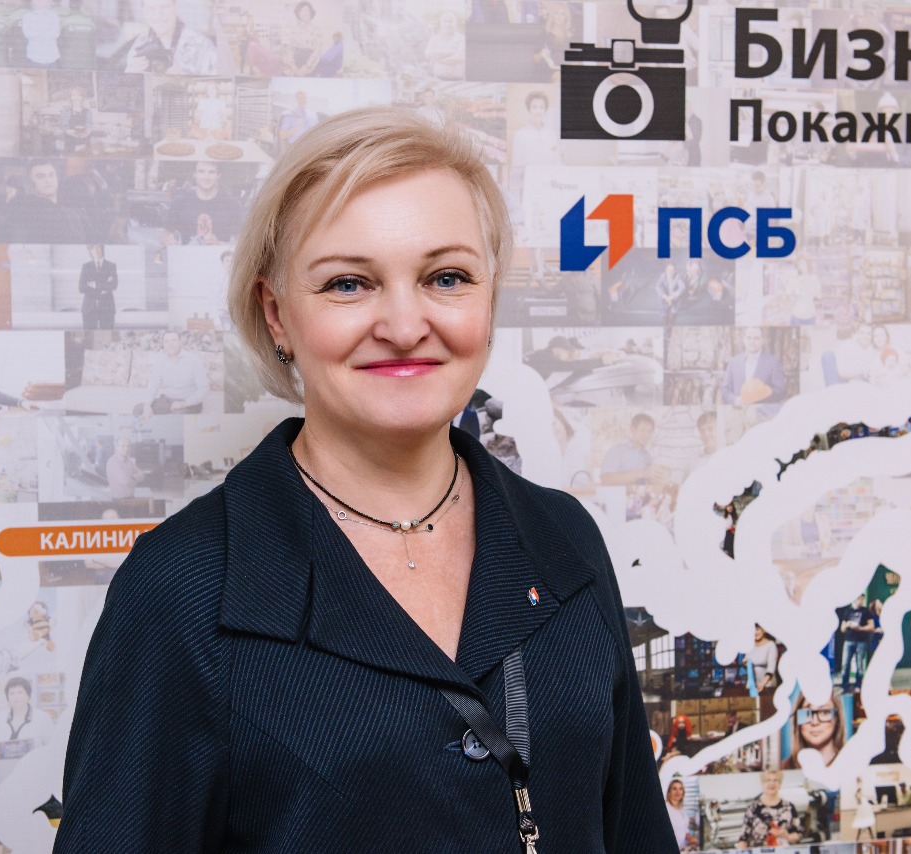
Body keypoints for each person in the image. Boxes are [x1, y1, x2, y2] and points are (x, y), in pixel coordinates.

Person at [57, 107, 675, 852]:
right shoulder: (181, 590)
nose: (405, 326)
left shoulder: (563, 536)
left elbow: (635, 831)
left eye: (447, 277)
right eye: (349, 284)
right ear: (277, 314)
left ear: (488, 297)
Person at [5, 159, 91, 244]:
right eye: (41, 177)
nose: (48, 180)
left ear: (57, 178)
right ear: (31, 183)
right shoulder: (28, 214)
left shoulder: (73, 210)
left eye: (51, 175)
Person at [122, 0, 216, 75]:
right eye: (151, 9)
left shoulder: (202, 45)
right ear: (144, 12)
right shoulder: (139, 44)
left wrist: (182, 80)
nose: (158, 15)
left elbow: (216, 88)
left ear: (175, 7)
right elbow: (127, 90)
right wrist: (131, 74)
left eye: (164, 7)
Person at [162, 161, 243, 246]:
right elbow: (165, 234)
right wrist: (168, 239)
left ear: (218, 175)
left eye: (211, 172)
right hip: (187, 254)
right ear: (194, 174)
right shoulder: (180, 203)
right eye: (201, 171)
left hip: (220, 254)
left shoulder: (232, 204)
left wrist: (219, 244)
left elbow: (243, 243)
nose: (206, 177)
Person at [143, 329, 209, 415]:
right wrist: (147, 405)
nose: (170, 344)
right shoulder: (160, 361)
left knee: (177, 416)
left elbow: (204, 388)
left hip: (189, 402)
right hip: (168, 400)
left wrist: (185, 403)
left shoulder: (193, 360)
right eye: (167, 341)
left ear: (180, 342)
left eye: (174, 340)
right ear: (163, 344)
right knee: (139, 410)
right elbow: (153, 385)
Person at [0, 676, 54, 761]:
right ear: (7, 698)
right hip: (5, 767)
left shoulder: (42, 718)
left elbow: (53, 747)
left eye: (20, 692)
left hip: (34, 766)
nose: (16, 697)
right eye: (12, 693)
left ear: (28, 696)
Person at [720, 326, 788, 405]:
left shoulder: (773, 362)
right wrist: (735, 400)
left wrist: (761, 395)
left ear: (762, 341)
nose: (752, 342)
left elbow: (780, 390)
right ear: (744, 340)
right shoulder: (734, 362)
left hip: (762, 411)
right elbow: (725, 389)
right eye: (749, 338)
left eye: (756, 338)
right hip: (739, 410)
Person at [599, 413, 670, 486]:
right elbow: (606, 479)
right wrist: (642, 473)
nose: (646, 435)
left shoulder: (647, 456)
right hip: (620, 494)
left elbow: (647, 482)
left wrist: (658, 479)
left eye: (649, 431)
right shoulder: (617, 451)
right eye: (642, 430)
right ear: (632, 430)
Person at [736, 769, 801, 848]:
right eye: (768, 780)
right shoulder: (752, 808)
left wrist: (787, 836)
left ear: (780, 784)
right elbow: (743, 839)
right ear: (762, 783)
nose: (771, 783)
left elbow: (798, 835)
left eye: (775, 780)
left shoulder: (789, 807)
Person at [783, 693, 843, 769]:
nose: (815, 722)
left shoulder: (852, 766)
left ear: (837, 718)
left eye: (824, 712)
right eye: (807, 713)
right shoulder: (783, 769)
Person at [839, 593, 877, 692]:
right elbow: (842, 628)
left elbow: (872, 627)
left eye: (862, 599)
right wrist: (847, 625)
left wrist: (861, 628)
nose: (861, 601)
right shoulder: (848, 611)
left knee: (859, 665)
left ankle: (858, 685)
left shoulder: (866, 611)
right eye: (860, 599)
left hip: (861, 641)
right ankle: (844, 686)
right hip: (848, 641)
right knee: (845, 664)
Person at [78, 244, 117, 330]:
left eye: (98, 247)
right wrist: (104, 284)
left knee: (107, 332)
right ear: (90, 251)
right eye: (93, 249)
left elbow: (114, 285)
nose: (95, 251)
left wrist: (93, 284)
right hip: (89, 308)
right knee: (88, 333)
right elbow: (81, 287)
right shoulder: (86, 266)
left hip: (107, 307)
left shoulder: (111, 266)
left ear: (102, 249)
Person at [423, 10, 465, 80]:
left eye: (450, 21)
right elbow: (428, 54)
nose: (448, 24)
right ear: (441, 23)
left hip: (458, 80)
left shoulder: (462, 38)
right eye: (445, 21)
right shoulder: (434, 39)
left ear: (455, 23)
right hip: (437, 79)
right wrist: (451, 52)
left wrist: (437, 58)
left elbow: (458, 58)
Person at [21, 0, 61, 67]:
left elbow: (55, 34)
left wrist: (37, 31)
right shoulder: (27, 17)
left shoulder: (54, 16)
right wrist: (46, 30)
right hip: (33, 57)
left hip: (51, 57)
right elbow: (28, 34)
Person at [58, 87, 93, 153]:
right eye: (74, 95)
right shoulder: (65, 111)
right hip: (70, 142)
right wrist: (69, 132)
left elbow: (89, 125)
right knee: (71, 158)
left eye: (78, 95)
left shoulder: (87, 111)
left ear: (82, 97)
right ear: (70, 97)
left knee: (85, 158)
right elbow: (64, 126)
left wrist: (87, 132)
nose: (76, 98)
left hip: (84, 141)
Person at [666, 778, 695, 852]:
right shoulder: (665, 809)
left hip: (681, 848)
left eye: (680, 789)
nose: (678, 792)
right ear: (669, 792)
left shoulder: (681, 809)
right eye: (674, 789)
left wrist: (691, 838)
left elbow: (684, 829)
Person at [749, 624, 778, 692]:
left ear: (763, 630)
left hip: (767, 685)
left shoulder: (771, 645)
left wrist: (762, 684)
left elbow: (771, 668)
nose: (755, 633)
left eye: (757, 630)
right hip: (752, 685)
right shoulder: (750, 645)